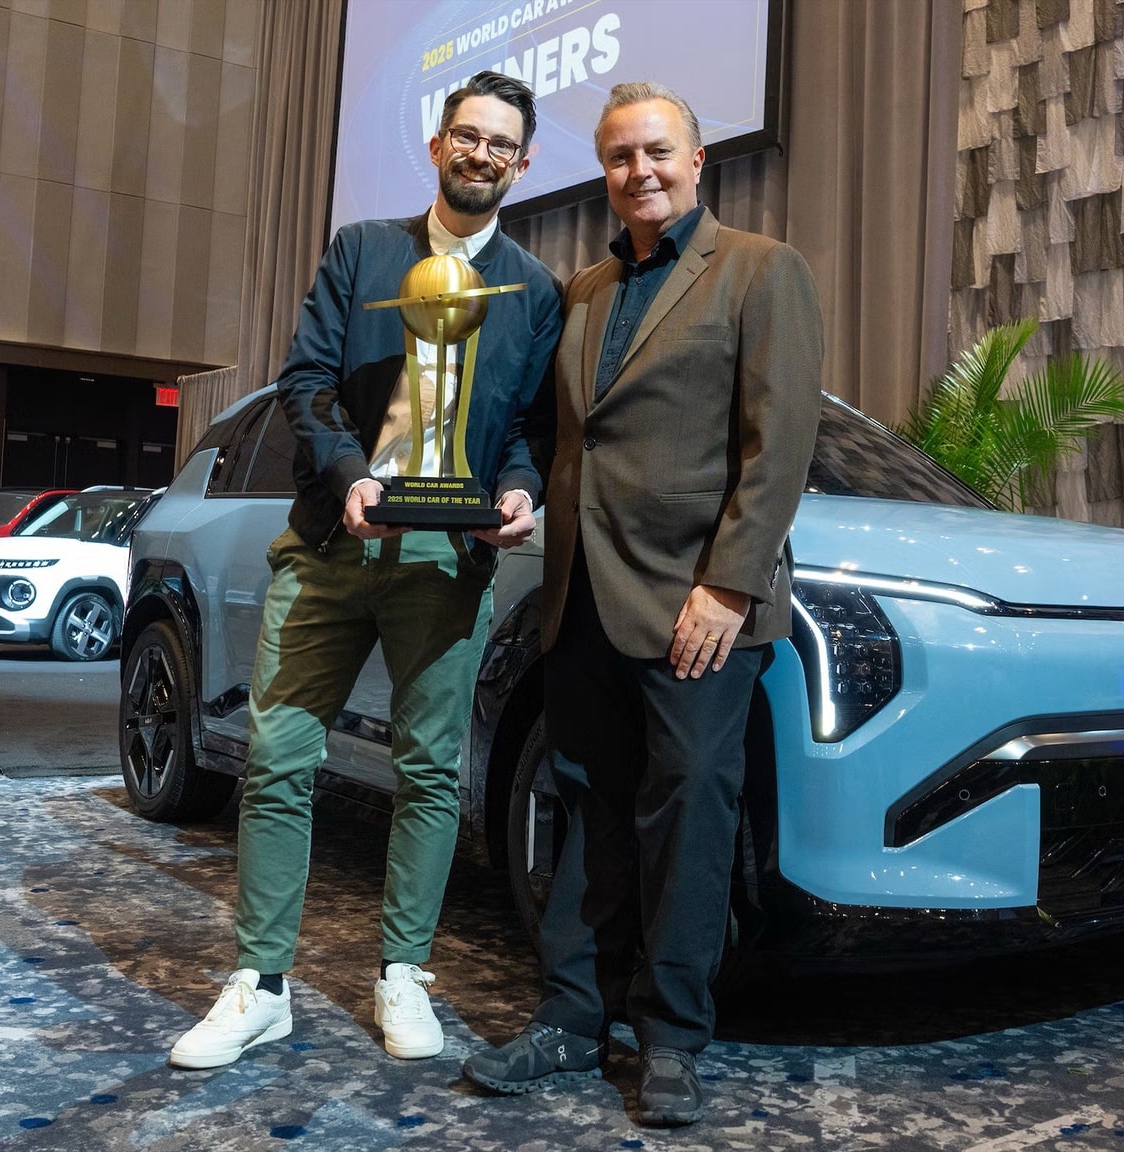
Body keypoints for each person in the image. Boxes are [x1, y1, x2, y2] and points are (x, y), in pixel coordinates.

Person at [168, 71, 562, 1070]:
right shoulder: (363, 252)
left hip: (447, 559)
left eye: (501, 144)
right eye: (467, 135)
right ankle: (259, 983)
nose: (481, 154)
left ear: (523, 165)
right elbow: (305, 379)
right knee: (280, 758)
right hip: (333, 542)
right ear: (438, 145)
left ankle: (404, 974)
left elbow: (525, 432)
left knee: (429, 770)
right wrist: (345, 473)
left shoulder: (536, 291)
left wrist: (519, 495)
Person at [463, 82, 823, 1126]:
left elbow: (778, 447)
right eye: (620, 157)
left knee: (689, 823)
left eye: (656, 152)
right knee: (588, 814)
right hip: (581, 601)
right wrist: (521, 492)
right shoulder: (579, 293)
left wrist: (727, 584)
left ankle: (670, 1037)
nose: (639, 172)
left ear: (698, 160)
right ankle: (574, 1018)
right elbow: (561, 434)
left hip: (696, 612)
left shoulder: (762, 272)